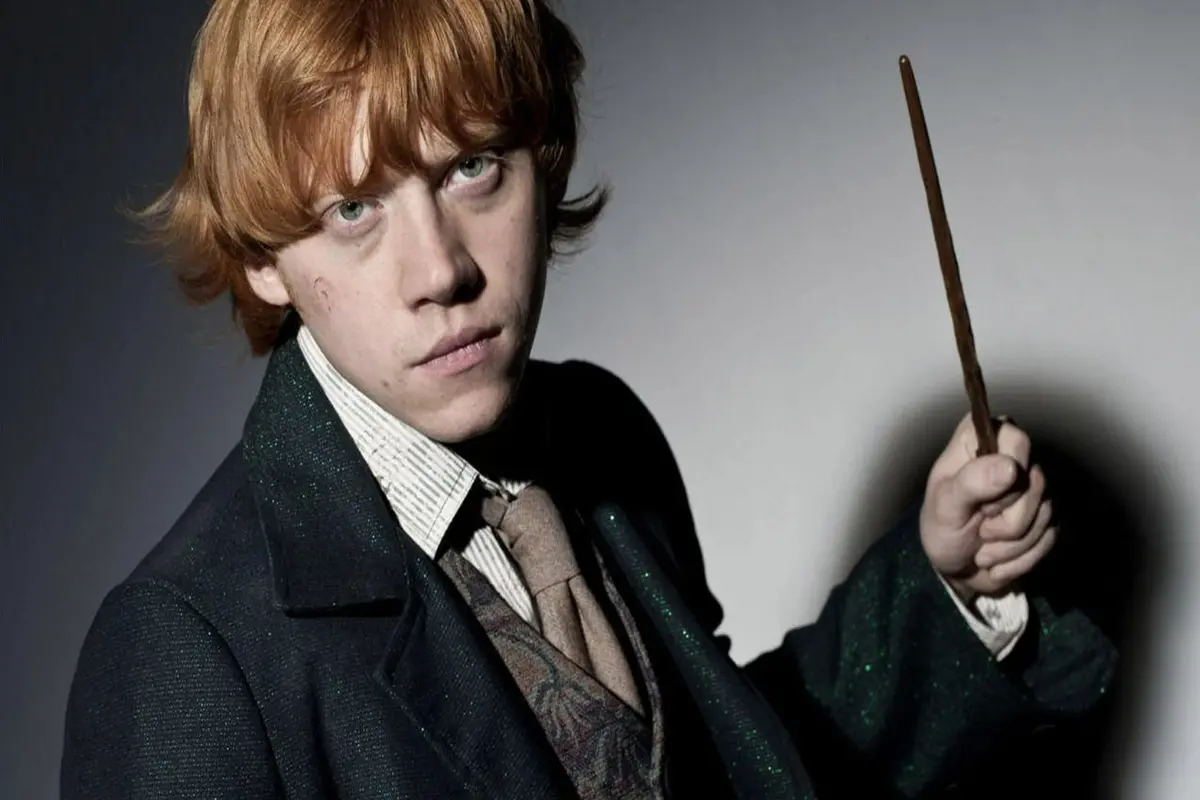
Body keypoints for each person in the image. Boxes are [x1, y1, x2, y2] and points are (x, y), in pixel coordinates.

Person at [60, 0, 1116, 798]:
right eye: (353, 209)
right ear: (262, 260)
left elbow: (734, 765)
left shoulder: (603, 435)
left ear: (545, 156)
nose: (441, 270)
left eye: (474, 166)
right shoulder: (182, 650)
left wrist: (943, 584)